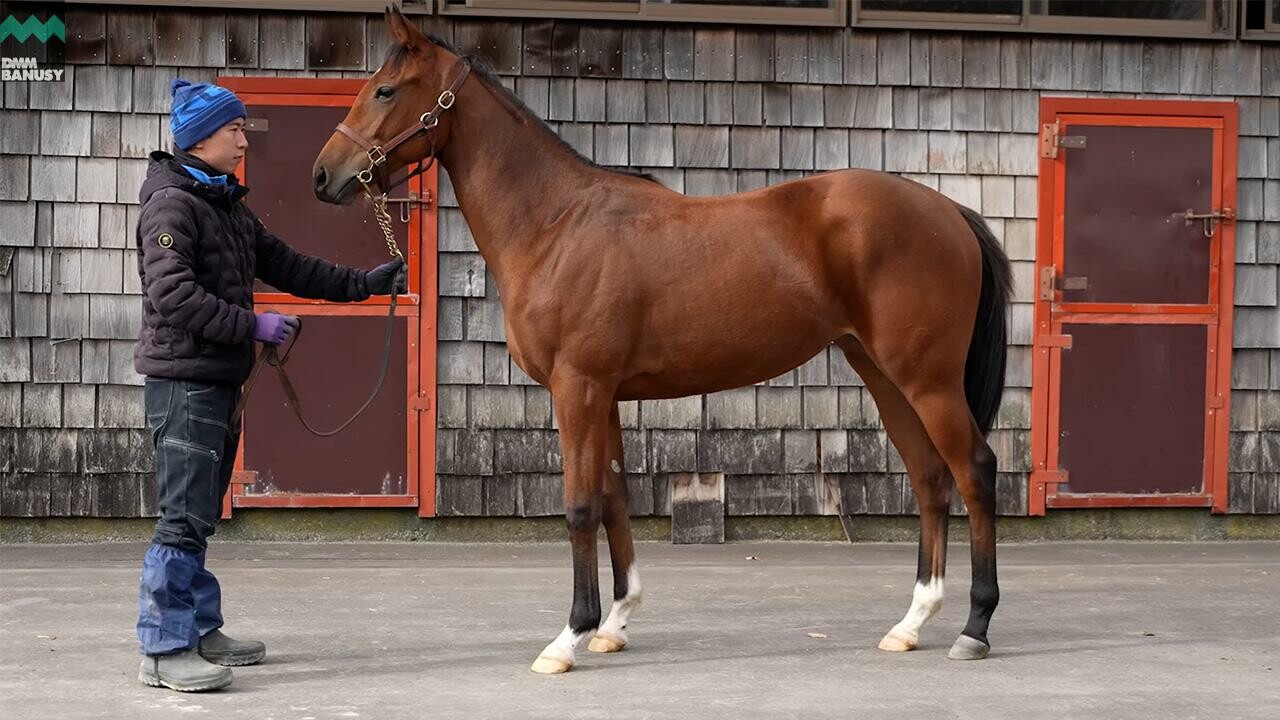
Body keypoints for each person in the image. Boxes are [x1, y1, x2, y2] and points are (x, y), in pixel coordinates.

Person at [132, 78, 405, 692]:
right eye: (233, 128)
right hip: (184, 385)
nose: (241, 137)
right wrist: (252, 323)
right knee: (180, 518)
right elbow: (171, 296)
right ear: (200, 137)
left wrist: (363, 283)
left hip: (218, 382)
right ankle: (162, 647)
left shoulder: (224, 204)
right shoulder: (171, 205)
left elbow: (285, 263)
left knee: (198, 516)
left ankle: (198, 629)